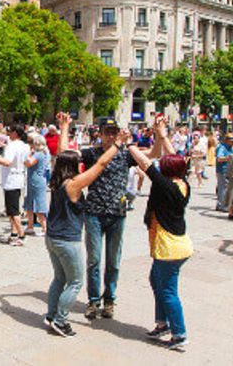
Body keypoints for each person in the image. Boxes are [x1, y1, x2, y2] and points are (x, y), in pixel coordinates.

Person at [65, 116, 163, 322]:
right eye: (107, 132)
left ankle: (109, 299)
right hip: (94, 213)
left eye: (114, 132)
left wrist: (158, 134)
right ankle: (93, 300)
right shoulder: (91, 153)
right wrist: (64, 127)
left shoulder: (126, 155)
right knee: (94, 260)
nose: (111, 136)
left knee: (113, 261)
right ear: (99, 134)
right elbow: (65, 154)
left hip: (117, 213)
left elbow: (154, 154)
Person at [43, 114, 130, 338]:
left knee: (59, 278)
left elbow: (63, 155)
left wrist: (64, 127)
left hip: (52, 237)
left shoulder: (58, 179)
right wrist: (118, 144)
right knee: (75, 282)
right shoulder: (74, 185)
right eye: (78, 163)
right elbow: (101, 164)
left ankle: (51, 314)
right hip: (66, 240)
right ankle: (61, 320)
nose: (82, 164)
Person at [126, 118, 192, 352]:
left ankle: (179, 333)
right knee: (156, 281)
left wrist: (128, 144)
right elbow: (174, 157)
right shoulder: (181, 181)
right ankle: (162, 324)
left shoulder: (166, 185)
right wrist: (161, 133)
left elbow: (146, 164)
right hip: (175, 244)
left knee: (167, 290)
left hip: (169, 247)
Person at [0, 125, 31, 246]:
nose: (8, 133)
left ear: (15, 133)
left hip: (11, 179)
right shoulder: (23, 145)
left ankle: (22, 235)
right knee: (12, 208)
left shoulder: (13, 146)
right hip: (18, 177)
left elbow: (7, 162)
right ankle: (14, 234)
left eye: (10, 132)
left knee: (13, 210)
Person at [25, 134, 50, 237]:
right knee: (30, 203)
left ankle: (45, 228)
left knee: (39, 204)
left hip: (36, 180)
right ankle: (30, 226)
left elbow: (29, 163)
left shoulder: (39, 154)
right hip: (35, 180)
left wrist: (27, 155)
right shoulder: (45, 153)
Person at [215, 133, 233, 212]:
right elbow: (219, 158)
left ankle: (220, 204)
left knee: (226, 188)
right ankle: (222, 205)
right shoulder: (222, 147)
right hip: (222, 170)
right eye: (231, 141)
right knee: (223, 188)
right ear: (227, 140)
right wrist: (229, 158)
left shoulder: (231, 148)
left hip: (229, 170)